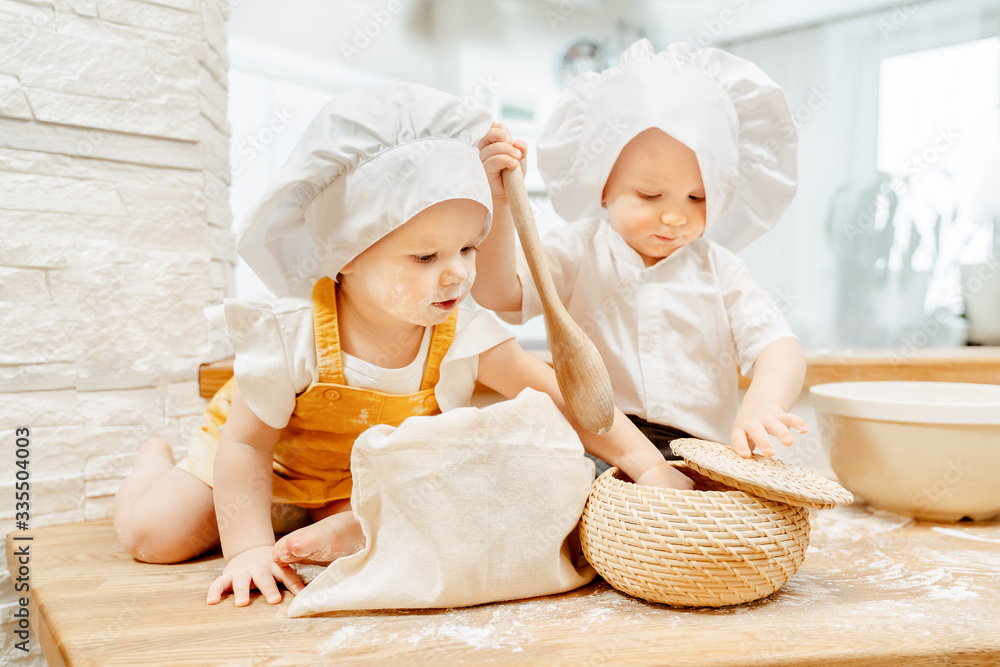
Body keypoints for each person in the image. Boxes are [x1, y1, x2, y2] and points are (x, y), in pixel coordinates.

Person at [113, 82, 694, 610]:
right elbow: (246, 445)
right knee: (155, 538)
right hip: (267, 460)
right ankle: (155, 464)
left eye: (468, 249)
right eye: (425, 257)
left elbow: (568, 394)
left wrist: (645, 462)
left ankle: (318, 523)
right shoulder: (292, 333)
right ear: (347, 255)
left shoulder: (461, 329)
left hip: (357, 475)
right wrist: (246, 551)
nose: (457, 276)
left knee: (404, 546)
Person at [473, 40, 808, 466]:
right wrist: (501, 205)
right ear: (602, 186)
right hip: (598, 442)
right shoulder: (577, 251)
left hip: (699, 453)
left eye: (698, 197)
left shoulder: (719, 270)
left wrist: (764, 404)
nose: (674, 217)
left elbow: (778, 346)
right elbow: (499, 294)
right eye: (650, 194)